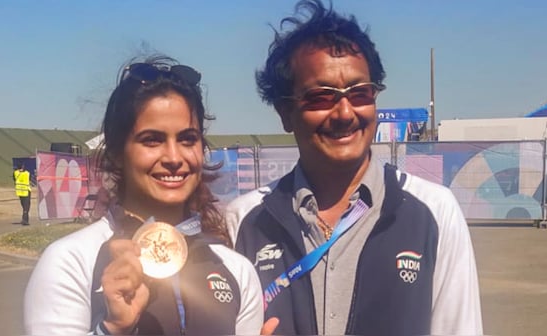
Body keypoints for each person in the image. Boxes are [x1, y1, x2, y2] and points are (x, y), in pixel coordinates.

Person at [225, 1, 483, 335]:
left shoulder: (434, 211)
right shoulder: (243, 223)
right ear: (285, 113)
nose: (345, 113)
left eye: (360, 93)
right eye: (321, 96)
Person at [24, 55, 264, 335]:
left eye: (188, 139)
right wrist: (112, 329)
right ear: (116, 152)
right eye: (152, 140)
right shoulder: (70, 261)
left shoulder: (236, 269)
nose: (174, 157)